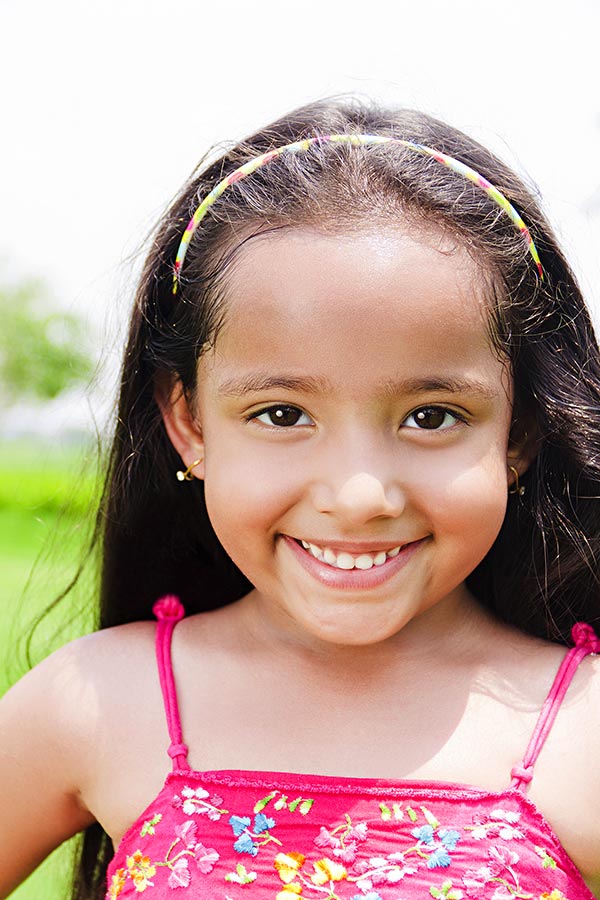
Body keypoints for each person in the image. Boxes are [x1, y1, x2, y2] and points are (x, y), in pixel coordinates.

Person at [0, 99, 599, 900]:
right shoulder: (100, 705)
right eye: (282, 415)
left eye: (432, 417)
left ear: (517, 432)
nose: (358, 497)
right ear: (189, 421)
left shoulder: (580, 735)